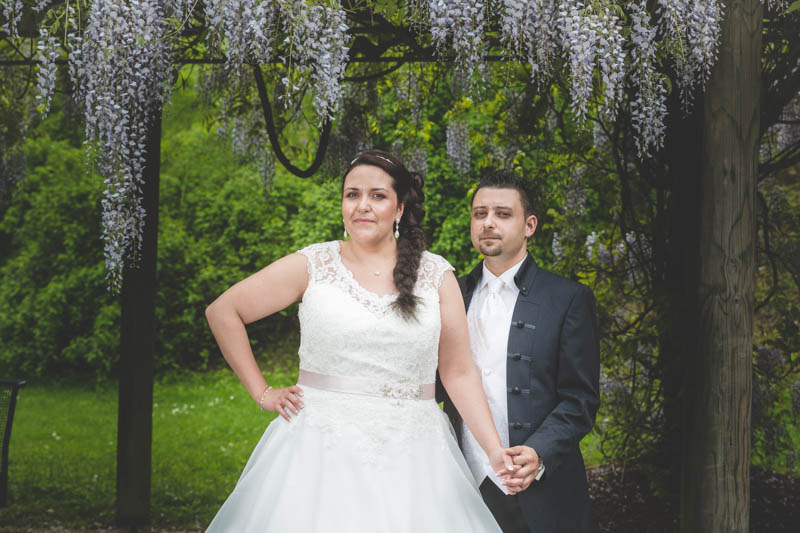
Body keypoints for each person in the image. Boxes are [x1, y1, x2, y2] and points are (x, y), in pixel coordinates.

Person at [204, 150, 515, 532]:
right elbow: (223, 312)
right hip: (317, 450)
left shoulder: (436, 274)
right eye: (352, 195)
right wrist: (262, 392)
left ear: (400, 209)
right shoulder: (313, 265)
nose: (362, 206)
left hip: (415, 456)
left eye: (377, 196)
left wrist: (494, 450)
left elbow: (459, 372)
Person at [437, 170, 600, 532]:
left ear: (529, 225)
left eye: (502, 214)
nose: (488, 223)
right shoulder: (448, 295)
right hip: (462, 482)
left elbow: (580, 400)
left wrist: (539, 451)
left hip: (543, 491)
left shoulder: (568, 299)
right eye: (480, 214)